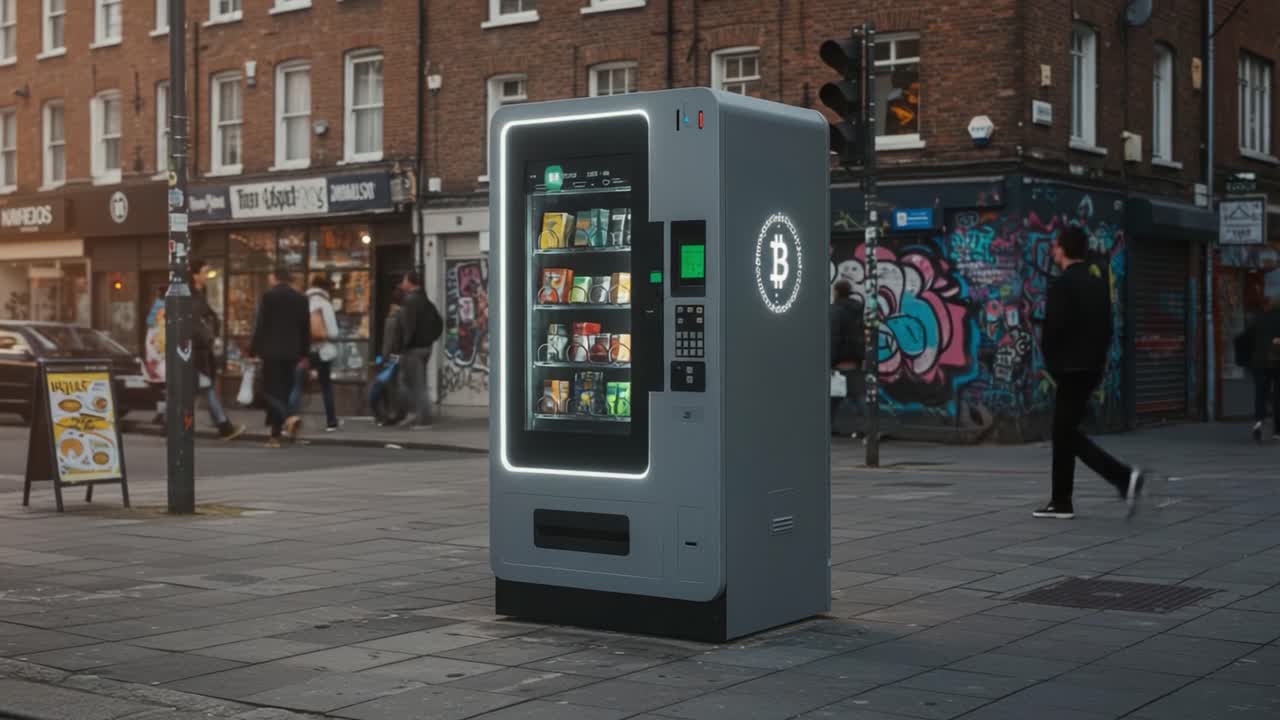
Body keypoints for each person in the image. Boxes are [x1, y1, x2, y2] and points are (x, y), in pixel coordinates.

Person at [1035, 226, 1146, 520]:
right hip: (1091, 368)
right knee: (1065, 433)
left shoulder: (1062, 285)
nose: (1053, 250)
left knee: (1066, 434)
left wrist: (1054, 367)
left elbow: (1052, 332)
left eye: (1056, 246)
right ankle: (1061, 502)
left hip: (1069, 370)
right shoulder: (1097, 284)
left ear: (1062, 249)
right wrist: (1097, 361)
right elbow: (1108, 328)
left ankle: (1123, 478)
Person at [250, 269, 310, 448]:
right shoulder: (301, 299)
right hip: (292, 353)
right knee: (284, 391)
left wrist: (254, 349)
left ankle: (288, 418)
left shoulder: (268, 297)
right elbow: (305, 328)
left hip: (271, 352)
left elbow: (261, 325)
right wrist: (304, 354)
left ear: (275, 278)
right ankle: (275, 435)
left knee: (270, 391)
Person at [191, 260, 245, 441]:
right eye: (204, 272)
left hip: (197, 352)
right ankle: (224, 427)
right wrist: (210, 338)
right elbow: (196, 325)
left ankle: (222, 426)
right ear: (195, 275)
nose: (207, 276)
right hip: (195, 353)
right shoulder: (192, 296)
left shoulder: (199, 294)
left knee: (200, 390)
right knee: (205, 388)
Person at [291, 274, 341, 432]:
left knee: (297, 386)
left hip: (304, 352)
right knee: (326, 386)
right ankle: (331, 422)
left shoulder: (301, 302)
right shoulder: (325, 304)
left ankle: (289, 421)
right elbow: (333, 332)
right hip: (323, 352)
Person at [398, 270, 444, 428]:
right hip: (425, 348)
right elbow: (439, 322)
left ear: (410, 282)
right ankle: (415, 415)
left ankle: (423, 419)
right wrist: (430, 339)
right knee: (415, 382)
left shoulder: (410, 300)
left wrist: (405, 345)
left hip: (414, 349)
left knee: (416, 385)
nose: (403, 283)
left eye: (404, 280)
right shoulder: (426, 301)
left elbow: (408, 327)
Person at [829, 280, 865, 438]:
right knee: (856, 395)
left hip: (840, 360)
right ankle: (868, 426)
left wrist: (830, 360)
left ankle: (828, 426)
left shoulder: (836, 312)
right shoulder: (858, 310)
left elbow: (834, 338)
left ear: (836, 292)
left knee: (833, 397)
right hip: (854, 360)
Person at [369, 288, 406, 426]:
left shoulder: (393, 318)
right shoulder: (406, 316)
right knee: (394, 387)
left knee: (385, 387)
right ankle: (395, 414)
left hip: (392, 358)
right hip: (403, 356)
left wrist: (383, 360)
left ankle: (387, 415)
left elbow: (388, 342)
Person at [1248, 293, 1280, 443]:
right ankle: (1277, 431)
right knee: (1278, 396)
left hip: (1259, 363)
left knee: (1260, 395)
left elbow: (1247, 342)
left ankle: (1258, 425)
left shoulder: (1255, 319)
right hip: (1276, 362)